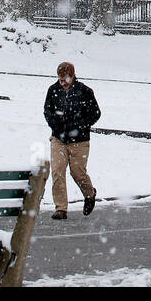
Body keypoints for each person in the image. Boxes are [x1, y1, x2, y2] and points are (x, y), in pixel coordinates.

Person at [44, 60, 101, 219]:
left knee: (78, 173)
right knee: (57, 171)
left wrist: (81, 125)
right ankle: (61, 208)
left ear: (73, 76)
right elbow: (47, 110)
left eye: (65, 79)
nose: (62, 83)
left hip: (79, 141)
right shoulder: (53, 90)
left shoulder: (84, 91)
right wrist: (54, 123)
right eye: (60, 79)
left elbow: (95, 113)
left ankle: (89, 193)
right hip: (58, 139)